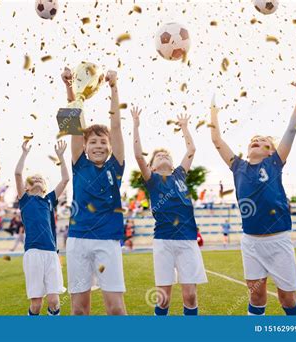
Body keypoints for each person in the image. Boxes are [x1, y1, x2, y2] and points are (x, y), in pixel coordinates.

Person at [209, 76, 296, 316]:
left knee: (287, 298)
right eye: (253, 140)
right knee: (256, 294)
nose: (256, 141)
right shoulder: (238, 166)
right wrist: (213, 112)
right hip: (251, 241)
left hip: (279, 239)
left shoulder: (275, 163)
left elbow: (292, 128)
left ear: (271, 150)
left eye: (262, 141)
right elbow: (216, 139)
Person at [62, 66, 127, 315]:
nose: (98, 145)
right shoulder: (78, 164)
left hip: (108, 241)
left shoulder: (116, 166)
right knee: (79, 310)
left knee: (116, 309)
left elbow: (117, 127)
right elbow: (73, 124)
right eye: (93, 141)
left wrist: (113, 87)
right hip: (78, 240)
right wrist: (69, 87)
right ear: (85, 146)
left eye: (103, 141)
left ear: (110, 147)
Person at [132, 107, 207, 316]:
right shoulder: (153, 180)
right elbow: (138, 155)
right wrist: (136, 124)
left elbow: (191, 150)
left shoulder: (179, 176)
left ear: (173, 165)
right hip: (164, 241)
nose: (163, 155)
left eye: (166, 155)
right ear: (152, 167)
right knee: (163, 298)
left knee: (190, 296)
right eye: (158, 156)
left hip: (187, 240)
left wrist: (184, 127)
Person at [15, 138, 69, 316]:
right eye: (33, 179)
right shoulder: (25, 200)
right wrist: (23, 154)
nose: (37, 179)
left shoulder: (49, 200)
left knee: (54, 301)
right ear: (27, 187)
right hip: (33, 253)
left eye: (40, 179)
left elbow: (66, 179)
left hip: (51, 253)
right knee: (36, 304)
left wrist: (61, 157)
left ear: (45, 187)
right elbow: (17, 174)